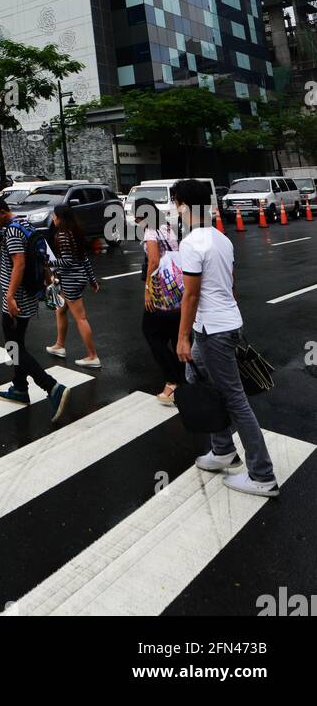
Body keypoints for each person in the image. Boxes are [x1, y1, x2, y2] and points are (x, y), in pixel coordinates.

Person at [172, 178, 279, 498]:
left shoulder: (191, 243)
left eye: (176, 204)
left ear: (184, 206)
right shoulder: (221, 239)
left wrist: (182, 338)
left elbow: (189, 297)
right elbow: (228, 286)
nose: (175, 210)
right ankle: (222, 450)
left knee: (235, 399)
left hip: (214, 332)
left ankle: (262, 474)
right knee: (196, 375)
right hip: (224, 325)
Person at [0, 194, 69, 420]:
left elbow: (19, 264)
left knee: (14, 347)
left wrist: (10, 296)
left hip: (15, 299)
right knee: (16, 344)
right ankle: (19, 387)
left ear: (2, 212)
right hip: (29, 296)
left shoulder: (11, 230)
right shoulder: (25, 222)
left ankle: (51, 387)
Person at [136, 196, 184, 404]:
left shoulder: (150, 231)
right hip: (176, 287)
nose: (135, 219)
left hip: (160, 290)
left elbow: (154, 261)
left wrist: (148, 289)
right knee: (175, 333)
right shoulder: (166, 227)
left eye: (137, 215)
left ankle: (172, 382)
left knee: (151, 333)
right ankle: (184, 378)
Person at [44, 204, 100, 367]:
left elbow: (67, 261)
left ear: (60, 218)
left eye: (54, 216)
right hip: (74, 278)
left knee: (80, 318)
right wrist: (92, 279)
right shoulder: (75, 232)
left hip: (70, 280)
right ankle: (59, 346)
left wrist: (48, 261)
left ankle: (92, 356)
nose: (53, 218)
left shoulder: (62, 235)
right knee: (60, 310)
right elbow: (84, 259)